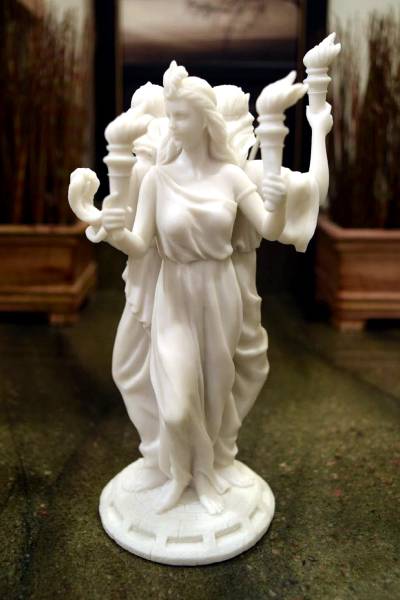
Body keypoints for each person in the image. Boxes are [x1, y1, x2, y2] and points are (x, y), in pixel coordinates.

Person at [102, 61, 288, 515]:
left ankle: (200, 476)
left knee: (214, 395)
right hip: (175, 292)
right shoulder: (158, 178)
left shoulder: (231, 177)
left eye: (181, 116)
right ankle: (180, 473)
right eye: (170, 115)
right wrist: (114, 231)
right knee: (178, 405)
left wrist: (278, 200)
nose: (173, 124)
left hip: (219, 291)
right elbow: (140, 244)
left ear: (205, 119)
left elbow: (270, 227)